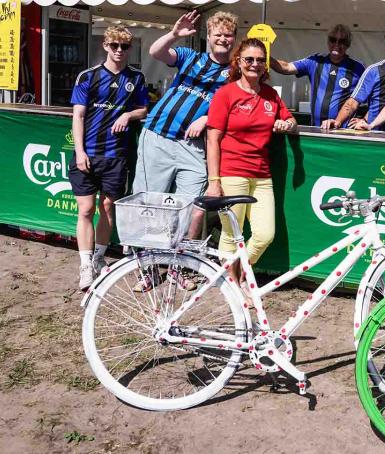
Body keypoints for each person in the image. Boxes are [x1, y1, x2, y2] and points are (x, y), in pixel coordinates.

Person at [133, 11, 238, 248]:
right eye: (218, 34)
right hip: (158, 135)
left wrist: (208, 118)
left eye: (228, 35)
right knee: (149, 201)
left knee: (190, 205)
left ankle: (178, 263)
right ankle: (145, 264)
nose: (223, 39)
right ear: (209, 36)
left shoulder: (235, 73)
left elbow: (238, 105)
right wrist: (173, 34)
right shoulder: (190, 57)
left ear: (234, 39)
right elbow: (156, 52)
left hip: (193, 146)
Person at [206, 38, 297, 284]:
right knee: (230, 233)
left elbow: (291, 121)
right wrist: (214, 181)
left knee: (265, 234)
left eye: (260, 60)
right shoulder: (226, 94)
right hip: (232, 172)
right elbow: (212, 140)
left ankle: (240, 275)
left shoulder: (270, 95)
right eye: (249, 59)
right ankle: (233, 286)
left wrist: (285, 124)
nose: (254, 64)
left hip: (262, 175)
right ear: (238, 62)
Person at [69, 25, 148, 290]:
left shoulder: (136, 78)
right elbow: (78, 116)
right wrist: (79, 152)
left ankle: (99, 259)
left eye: (124, 47)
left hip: (117, 155)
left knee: (107, 207)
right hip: (88, 154)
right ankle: (84, 265)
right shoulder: (88, 77)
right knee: (86, 210)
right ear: (105, 46)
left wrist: (128, 115)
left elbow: (145, 109)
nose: (119, 51)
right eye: (114, 45)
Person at [269, 24, 365, 127]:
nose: (337, 44)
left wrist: (363, 119)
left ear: (348, 44)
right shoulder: (315, 61)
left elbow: (373, 97)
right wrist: (263, 56)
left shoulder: (357, 68)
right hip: (317, 128)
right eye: (333, 40)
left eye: (342, 41)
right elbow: (286, 67)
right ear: (328, 41)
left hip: (343, 132)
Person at [321, 26, 385, 131]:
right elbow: (353, 102)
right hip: (375, 135)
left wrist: (364, 118)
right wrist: (338, 121)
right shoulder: (373, 71)